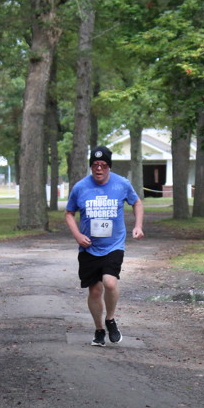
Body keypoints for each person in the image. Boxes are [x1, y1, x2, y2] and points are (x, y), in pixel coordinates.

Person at [65, 146, 144, 346]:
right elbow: (69, 213)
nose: (99, 169)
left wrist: (138, 226)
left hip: (113, 245)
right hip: (89, 247)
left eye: (103, 165)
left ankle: (110, 319)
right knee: (94, 291)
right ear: (91, 166)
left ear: (109, 167)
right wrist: (77, 235)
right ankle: (99, 329)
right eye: (95, 165)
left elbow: (136, 203)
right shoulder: (80, 187)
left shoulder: (122, 184)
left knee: (109, 283)